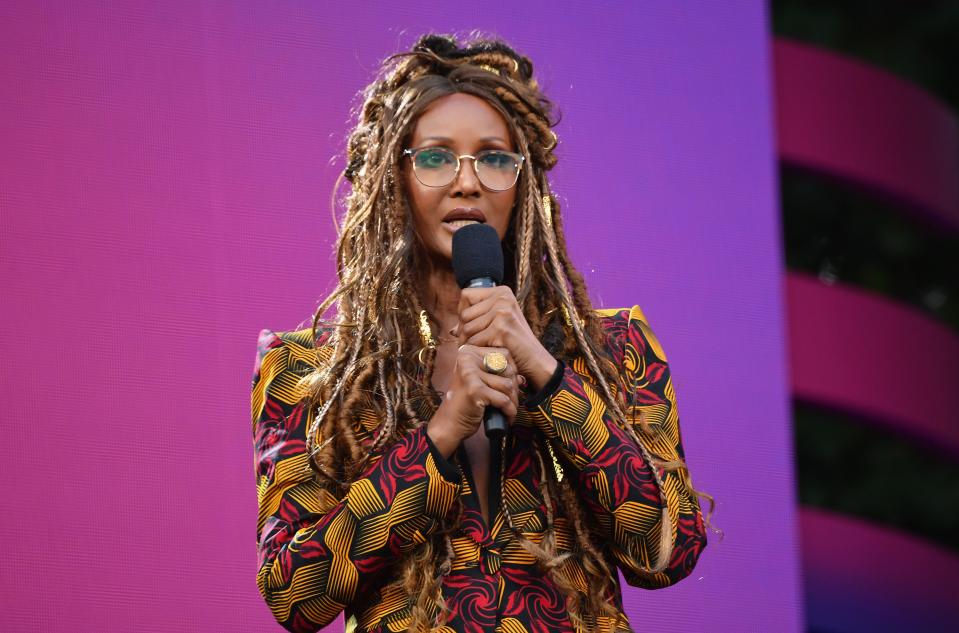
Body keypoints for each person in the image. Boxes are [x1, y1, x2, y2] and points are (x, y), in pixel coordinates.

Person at [251, 33, 713, 633]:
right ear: (395, 180)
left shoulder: (612, 350)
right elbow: (294, 596)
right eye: (437, 157)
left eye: (494, 159)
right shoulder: (308, 374)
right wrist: (444, 430)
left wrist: (550, 382)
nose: (467, 183)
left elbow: (667, 552)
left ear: (524, 185)